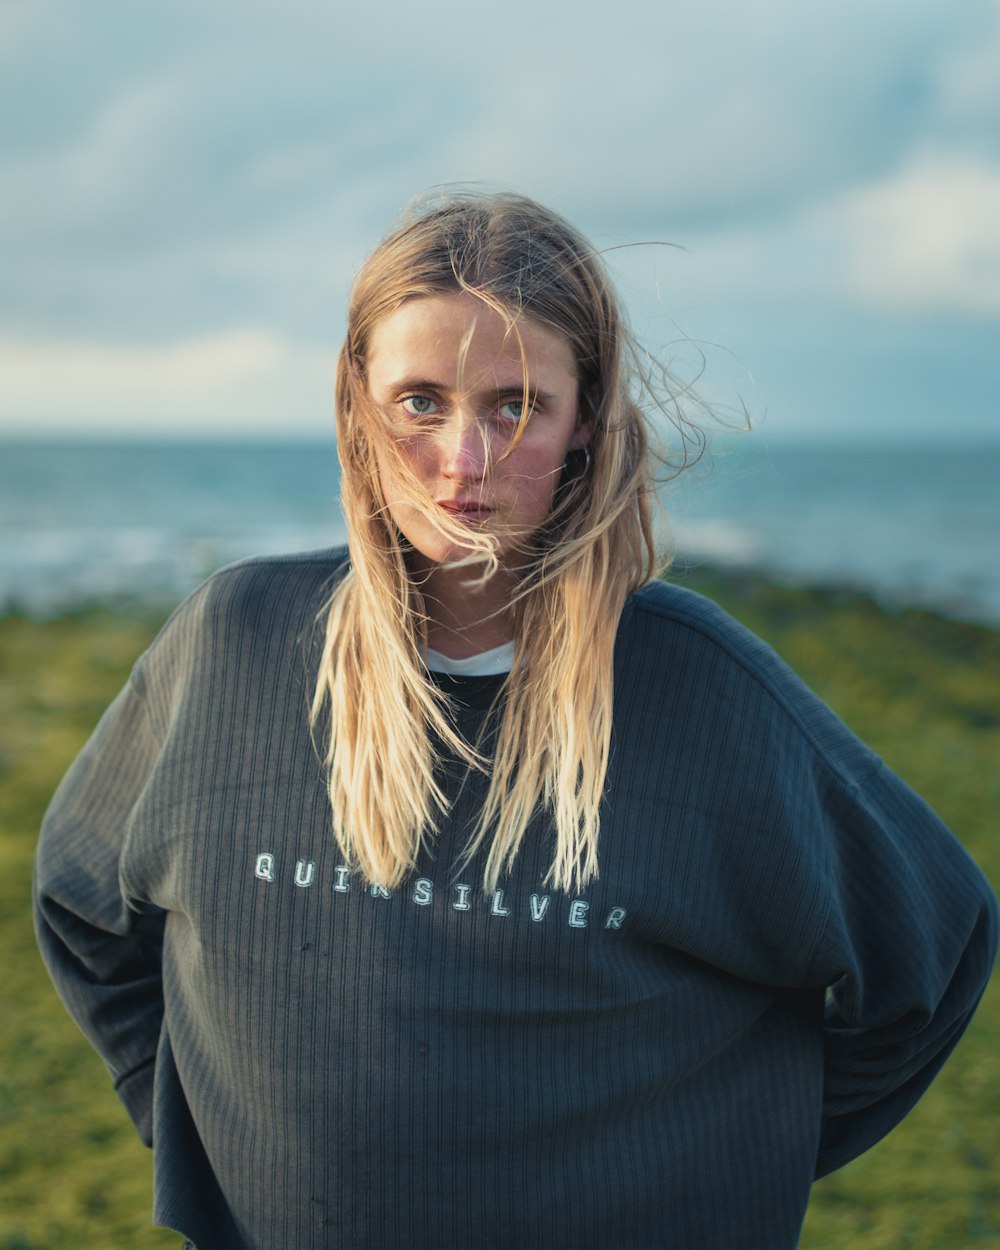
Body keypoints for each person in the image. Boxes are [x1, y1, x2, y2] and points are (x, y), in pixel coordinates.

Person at [34, 191, 997, 1250]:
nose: (464, 461)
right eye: (418, 401)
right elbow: (86, 909)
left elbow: (933, 955)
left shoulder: (707, 689)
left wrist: (730, 1158)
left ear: (585, 414)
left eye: (516, 404)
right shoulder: (234, 644)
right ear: (356, 402)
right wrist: (202, 1133)